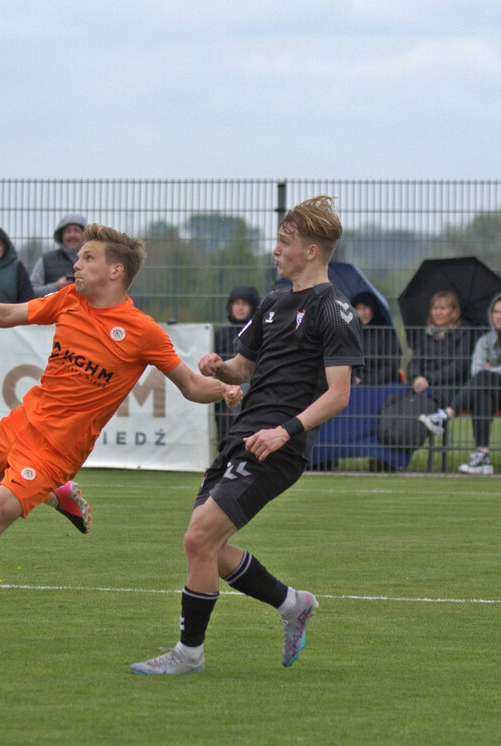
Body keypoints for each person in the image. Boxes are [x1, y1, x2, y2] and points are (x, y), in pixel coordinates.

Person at [0, 223, 242, 646]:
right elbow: (9, 314)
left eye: (87, 258)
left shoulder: (142, 331)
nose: (76, 265)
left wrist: (226, 389)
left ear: (115, 271)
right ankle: (55, 496)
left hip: (54, 453)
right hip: (24, 421)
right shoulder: (70, 300)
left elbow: (191, 385)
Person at [129, 195, 363, 675]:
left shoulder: (335, 310)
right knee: (206, 549)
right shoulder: (274, 302)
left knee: (198, 539)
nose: (276, 250)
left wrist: (284, 431)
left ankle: (188, 655)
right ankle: (291, 604)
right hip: (243, 435)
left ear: (312, 251)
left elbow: (339, 394)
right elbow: (243, 368)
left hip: (278, 446)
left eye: (285, 241)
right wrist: (220, 367)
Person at [418, 293, 501, 476]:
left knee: (484, 379)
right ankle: (483, 456)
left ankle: (446, 415)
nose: (498, 316)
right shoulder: (485, 341)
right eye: (495, 312)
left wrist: (494, 370)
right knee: (482, 395)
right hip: (493, 390)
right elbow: (475, 373)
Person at [378, 290, 474, 451]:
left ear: (454, 312)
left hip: (447, 390)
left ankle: (399, 448)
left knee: (418, 407)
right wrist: (416, 377)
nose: (437, 312)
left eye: (443, 308)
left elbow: (459, 366)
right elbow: (414, 361)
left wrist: (428, 379)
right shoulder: (426, 334)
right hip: (421, 387)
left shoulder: (464, 333)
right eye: (435, 308)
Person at [213, 285, 261, 441]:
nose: (240, 308)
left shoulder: (258, 333)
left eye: (245, 304)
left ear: (253, 307)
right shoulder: (221, 335)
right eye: (236, 303)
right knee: (226, 435)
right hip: (225, 394)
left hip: (251, 393)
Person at [349, 291, 402, 386]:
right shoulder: (349, 332)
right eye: (358, 309)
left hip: (383, 384)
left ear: (373, 309)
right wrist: (353, 378)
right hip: (355, 384)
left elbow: (392, 365)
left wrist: (365, 380)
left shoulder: (387, 332)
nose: (362, 313)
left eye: (366, 308)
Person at [29, 213, 87, 297]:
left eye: (77, 231)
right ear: (61, 236)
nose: (72, 235)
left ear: (85, 235)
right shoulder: (46, 260)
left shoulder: (95, 260)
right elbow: (31, 291)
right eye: (67, 231)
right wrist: (56, 287)